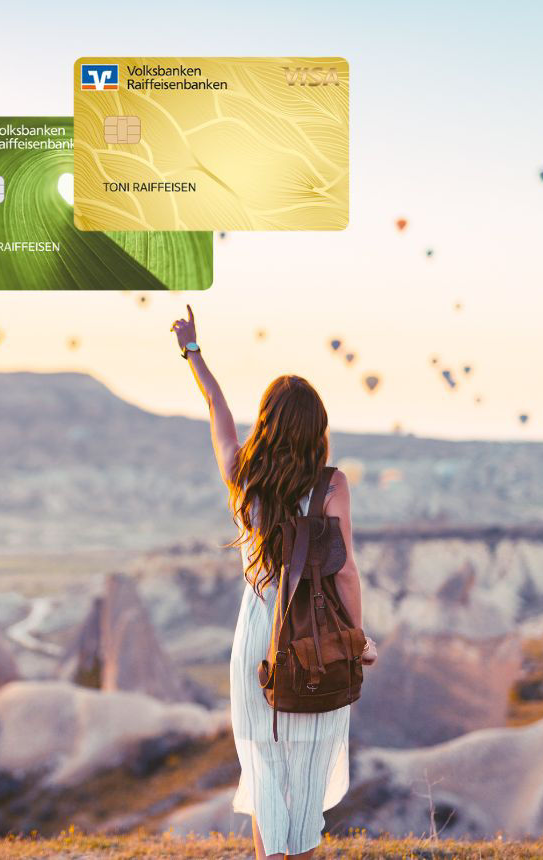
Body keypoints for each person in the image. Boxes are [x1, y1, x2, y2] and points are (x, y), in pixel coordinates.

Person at [170, 305, 376, 860]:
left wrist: (192, 350)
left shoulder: (243, 475)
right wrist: (358, 638)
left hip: (257, 638)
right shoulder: (332, 486)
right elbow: (347, 571)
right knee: (305, 778)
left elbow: (216, 407)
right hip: (314, 639)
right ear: (318, 430)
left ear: (267, 422)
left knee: (263, 769)